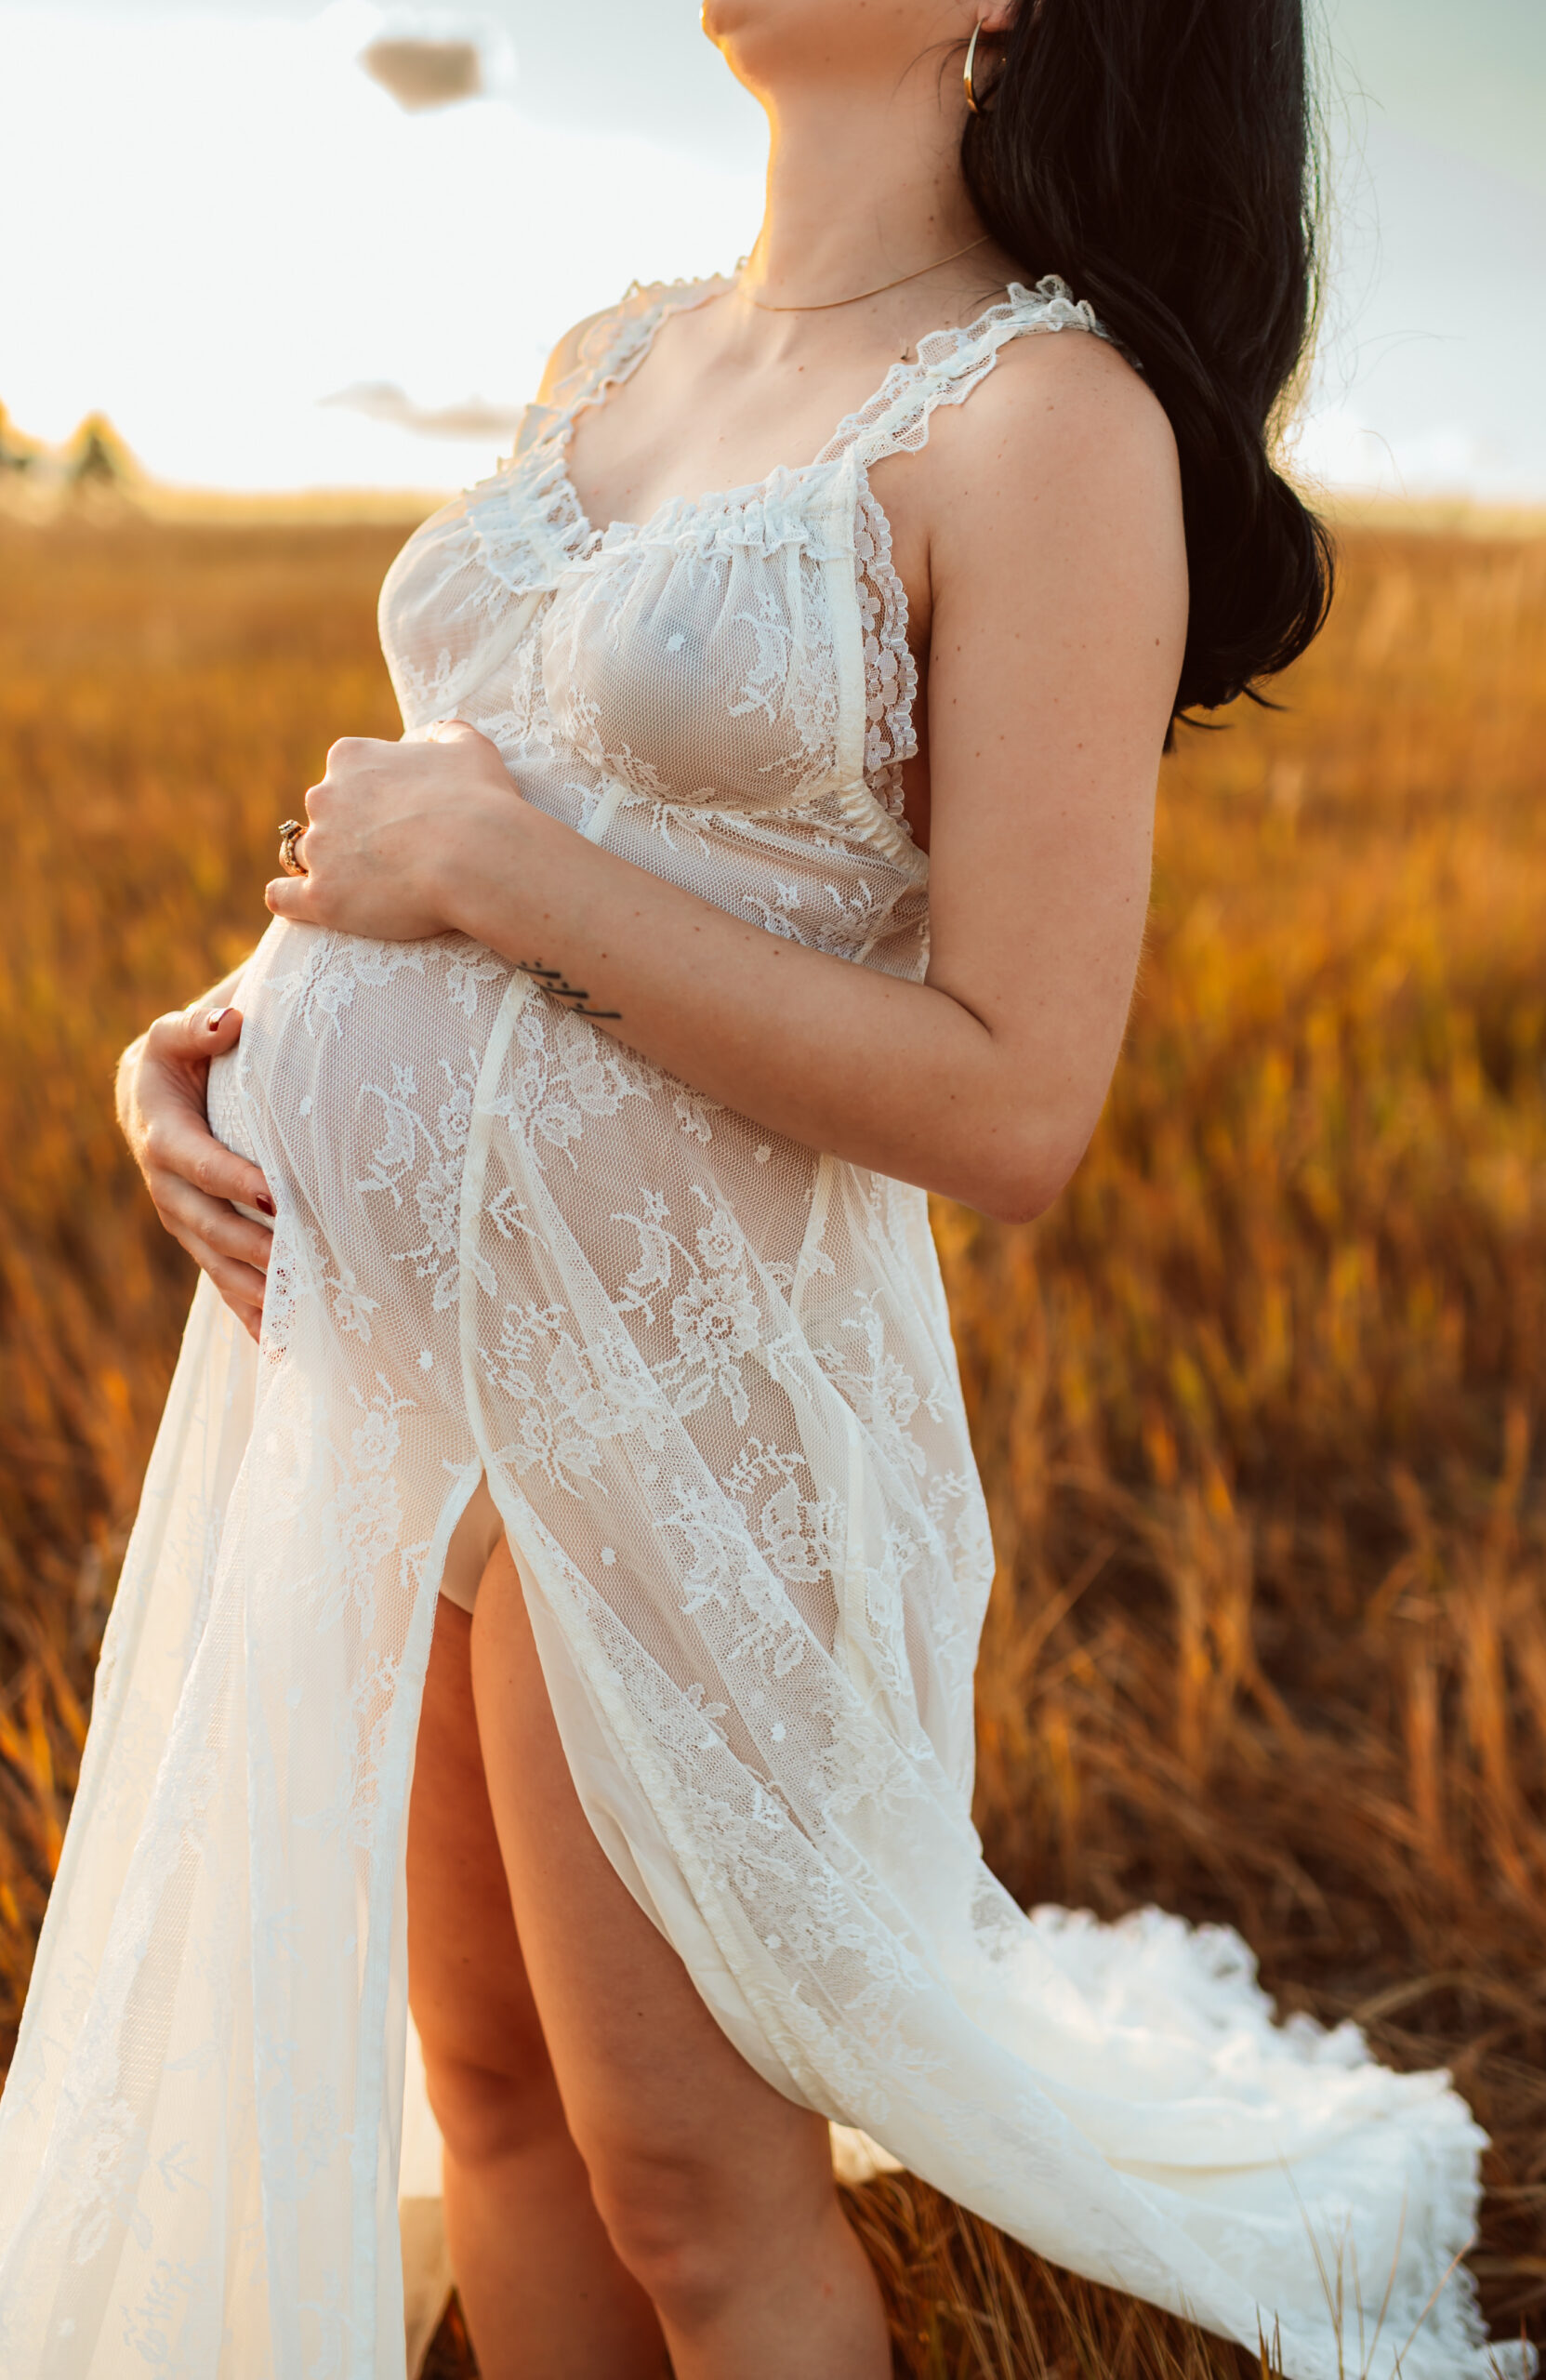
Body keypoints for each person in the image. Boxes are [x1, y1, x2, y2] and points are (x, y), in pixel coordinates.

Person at [0, 6, 1528, 2379]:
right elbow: (455, 813)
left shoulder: (1051, 424)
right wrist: (192, 1036)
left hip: (680, 1398)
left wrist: (501, 877)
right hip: (392, 1360)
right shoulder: (611, 349)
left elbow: (1016, 1100)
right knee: (491, 2107)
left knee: (696, 2195)